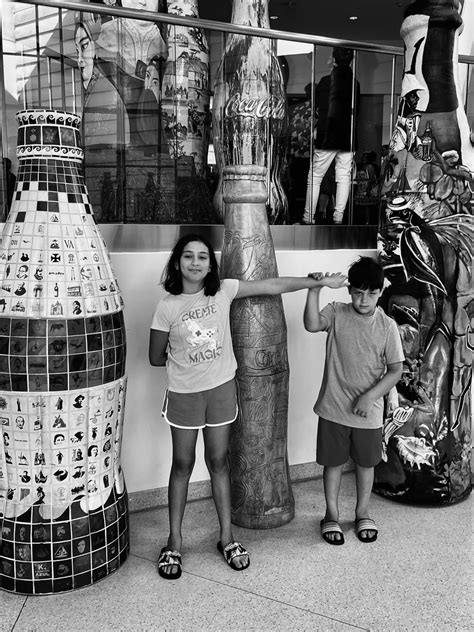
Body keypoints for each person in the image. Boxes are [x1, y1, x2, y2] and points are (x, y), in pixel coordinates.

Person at [149, 233, 327, 579]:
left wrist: (313, 282)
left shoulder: (223, 291)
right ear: (177, 263)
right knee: (182, 464)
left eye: (203, 257)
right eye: (188, 256)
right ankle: (174, 541)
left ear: (210, 265)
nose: (196, 262)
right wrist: (188, 361)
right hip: (185, 395)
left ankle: (227, 537)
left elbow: (271, 284)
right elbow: (155, 357)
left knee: (219, 461)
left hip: (220, 392)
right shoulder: (166, 307)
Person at [303, 257, 404, 545]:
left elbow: (396, 369)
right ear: (349, 291)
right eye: (358, 292)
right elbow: (311, 324)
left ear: (380, 292)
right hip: (333, 408)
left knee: (365, 465)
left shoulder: (387, 326)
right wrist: (315, 288)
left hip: (368, 414)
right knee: (332, 464)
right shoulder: (336, 312)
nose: (364, 299)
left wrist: (371, 395)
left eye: (371, 293)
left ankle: (362, 512)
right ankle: (331, 515)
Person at [303, 47, 360, 225]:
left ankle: (308, 217)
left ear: (334, 59)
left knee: (315, 176)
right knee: (343, 177)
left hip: (328, 134)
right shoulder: (355, 83)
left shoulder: (326, 81)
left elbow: (319, 108)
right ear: (351, 60)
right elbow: (355, 111)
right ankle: (338, 219)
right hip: (348, 135)